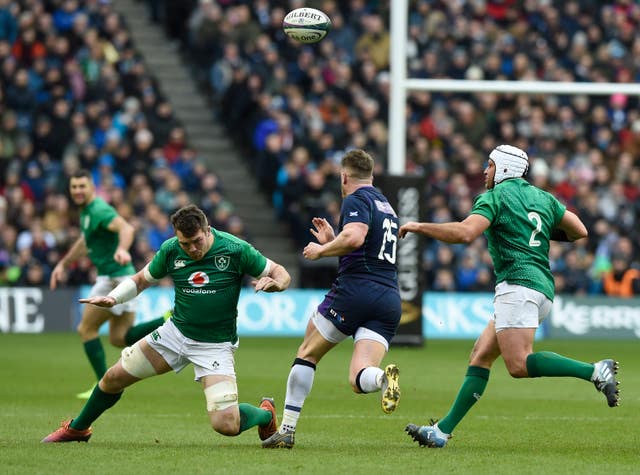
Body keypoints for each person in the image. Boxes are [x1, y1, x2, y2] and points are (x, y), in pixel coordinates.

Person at [399, 144, 620, 449]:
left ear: (503, 169)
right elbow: (580, 230)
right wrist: (537, 231)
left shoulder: (495, 196)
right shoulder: (543, 197)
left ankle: (594, 371)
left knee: (518, 365)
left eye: (489, 165)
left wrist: (420, 226)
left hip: (517, 286)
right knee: (481, 355)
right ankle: (441, 432)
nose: (484, 171)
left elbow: (465, 233)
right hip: (542, 286)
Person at [42, 204, 291, 443]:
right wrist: (113, 298)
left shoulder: (236, 249)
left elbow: (280, 271)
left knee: (226, 425)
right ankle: (78, 429)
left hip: (214, 345)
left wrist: (278, 283)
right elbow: (140, 280)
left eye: (197, 241)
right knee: (112, 378)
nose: (192, 248)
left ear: (207, 230)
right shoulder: (171, 250)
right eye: (186, 243)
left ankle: (266, 414)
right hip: (174, 334)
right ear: (176, 237)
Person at [262, 149, 401, 449]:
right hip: (388, 298)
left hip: (355, 293)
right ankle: (382, 380)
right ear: (372, 176)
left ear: (344, 176)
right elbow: (363, 247)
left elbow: (355, 238)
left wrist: (321, 250)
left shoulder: (356, 199)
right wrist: (332, 240)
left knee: (307, 352)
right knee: (358, 377)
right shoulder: (386, 205)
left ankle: (286, 430)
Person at [50, 169, 168, 399]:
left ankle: (101, 384)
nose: (77, 191)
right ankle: (166, 319)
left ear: (92, 187)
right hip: (114, 276)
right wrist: (63, 264)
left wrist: (122, 249)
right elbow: (85, 243)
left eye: (82, 186)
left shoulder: (100, 210)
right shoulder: (86, 212)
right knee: (119, 338)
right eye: (74, 187)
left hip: (115, 278)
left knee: (86, 329)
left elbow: (127, 228)